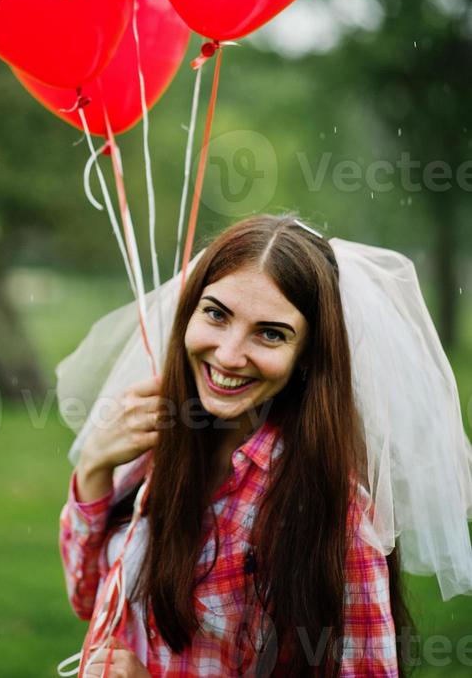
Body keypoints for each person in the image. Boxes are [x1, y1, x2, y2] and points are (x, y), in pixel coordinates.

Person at [57, 214, 472, 677]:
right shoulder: (159, 438)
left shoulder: (330, 515)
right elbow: (88, 595)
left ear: (305, 358)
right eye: (216, 314)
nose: (230, 355)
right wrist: (94, 465)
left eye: (271, 333)